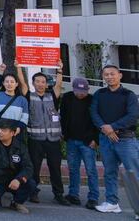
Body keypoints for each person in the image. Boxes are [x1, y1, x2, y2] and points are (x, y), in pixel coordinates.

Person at [16, 60, 68, 205]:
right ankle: (33, 192)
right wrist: (19, 67)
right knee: (34, 168)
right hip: (35, 139)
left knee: (55, 168)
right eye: (37, 81)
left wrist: (59, 70)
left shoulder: (52, 96)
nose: (40, 84)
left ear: (46, 83)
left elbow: (58, 85)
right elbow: (22, 83)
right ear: (33, 83)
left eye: (43, 81)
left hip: (53, 140)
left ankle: (58, 194)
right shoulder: (29, 96)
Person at [90, 65, 139, 214]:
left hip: (126, 140)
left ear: (120, 75)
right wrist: (105, 128)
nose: (109, 77)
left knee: (134, 173)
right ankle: (112, 202)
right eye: (106, 75)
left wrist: (112, 127)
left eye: (112, 74)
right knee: (109, 172)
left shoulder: (128, 94)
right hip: (105, 139)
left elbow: (132, 116)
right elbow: (93, 112)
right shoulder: (99, 94)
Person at [0, 119, 36, 213]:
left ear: (13, 133)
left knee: (31, 183)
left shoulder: (20, 146)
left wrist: (19, 179)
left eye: (4, 130)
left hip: (13, 181)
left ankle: (16, 202)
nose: (0, 132)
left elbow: (28, 167)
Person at [60, 77, 99, 209]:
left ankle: (93, 198)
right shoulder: (67, 98)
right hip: (71, 140)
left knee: (91, 170)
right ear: (73, 89)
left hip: (88, 141)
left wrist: (96, 139)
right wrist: (63, 133)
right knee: (73, 169)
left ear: (87, 90)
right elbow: (63, 116)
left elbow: (98, 121)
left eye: (83, 91)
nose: (81, 93)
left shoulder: (92, 100)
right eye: (78, 91)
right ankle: (73, 194)